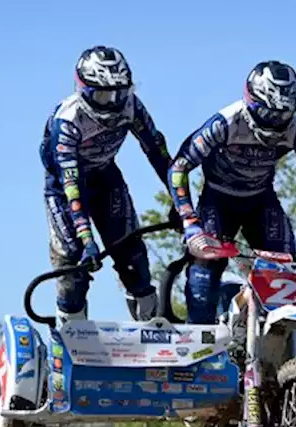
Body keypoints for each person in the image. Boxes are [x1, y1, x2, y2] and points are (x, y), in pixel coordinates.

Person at [167, 60, 296, 326]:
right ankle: (201, 339)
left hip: (261, 202)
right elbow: (179, 166)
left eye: (284, 115)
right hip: (218, 201)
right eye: (269, 114)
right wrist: (190, 223)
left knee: (289, 274)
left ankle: (284, 355)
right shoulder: (225, 122)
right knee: (204, 268)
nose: (277, 123)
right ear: (251, 101)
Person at [41, 45, 177, 327]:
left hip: (105, 178)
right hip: (65, 188)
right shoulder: (66, 122)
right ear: (84, 89)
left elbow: (157, 152)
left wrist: (182, 205)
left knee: (132, 256)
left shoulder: (132, 105)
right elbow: (71, 186)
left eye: (118, 92)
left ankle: (151, 326)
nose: (112, 101)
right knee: (72, 261)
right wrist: (87, 239)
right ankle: (72, 328)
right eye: (103, 94)